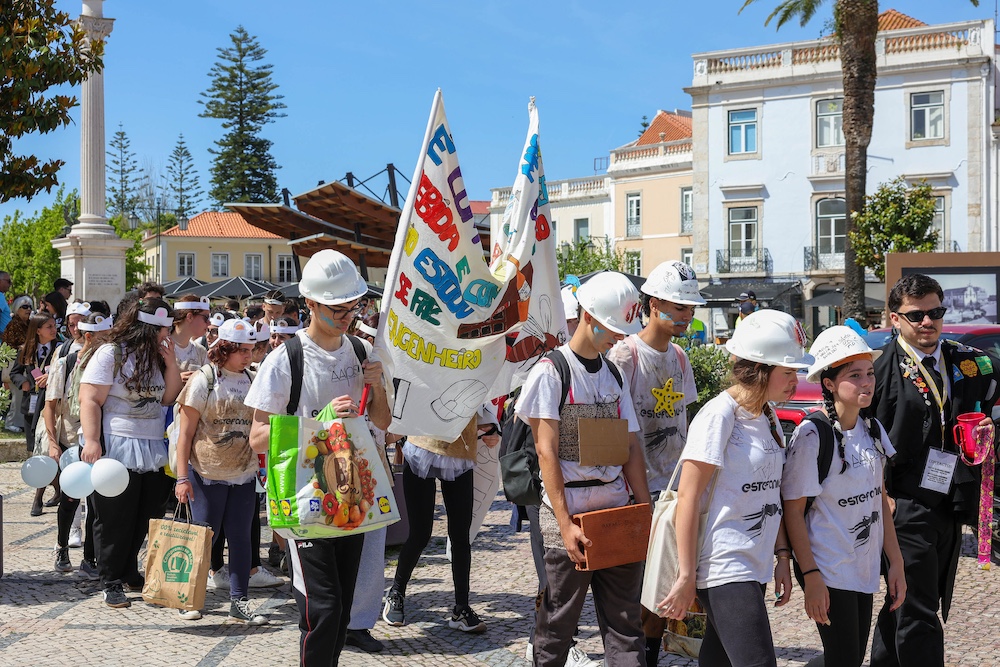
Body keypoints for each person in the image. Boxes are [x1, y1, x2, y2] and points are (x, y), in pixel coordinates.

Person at [247, 249, 390, 666]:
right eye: (337, 308)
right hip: (303, 498)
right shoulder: (285, 359)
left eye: (354, 306)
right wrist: (322, 421)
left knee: (342, 609)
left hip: (352, 494)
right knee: (322, 609)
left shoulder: (362, 352)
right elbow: (257, 437)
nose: (347, 315)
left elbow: (383, 422)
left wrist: (377, 387)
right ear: (309, 303)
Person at [660, 308, 810, 667]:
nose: (795, 380)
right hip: (724, 565)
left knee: (718, 661)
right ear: (760, 369)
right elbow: (688, 496)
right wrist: (685, 576)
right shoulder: (719, 416)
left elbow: (771, 494)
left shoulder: (768, 415)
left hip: (754, 563)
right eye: (788, 371)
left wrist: (782, 558)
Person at [514, 271, 651, 666]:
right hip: (570, 513)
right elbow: (546, 451)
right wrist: (563, 523)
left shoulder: (614, 374)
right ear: (588, 317)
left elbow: (630, 446)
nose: (620, 337)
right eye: (613, 328)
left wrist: (642, 510)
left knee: (626, 625)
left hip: (615, 511)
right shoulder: (550, 372)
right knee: (558, 624)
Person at [870, 274, 1000, 667]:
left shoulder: (968, 361)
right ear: (895, 319)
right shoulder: (878, 371)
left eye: (935, 313)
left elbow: (990, 405)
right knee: (919, 606)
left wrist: (989, 428)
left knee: (909, 599)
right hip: (904, 502)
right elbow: (864, 437)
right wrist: (881, 494)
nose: (927, 322)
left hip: (950, 498)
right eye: (916, 315)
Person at [782, 326, 906, 667]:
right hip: (828, 570)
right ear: (829, 382)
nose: (867, 382)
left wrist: (895, 563)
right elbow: (793, 513)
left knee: (848, 658)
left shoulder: (873, 429)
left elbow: (879, 502)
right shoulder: (812, 435)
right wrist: (810, 577)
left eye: (869, 373)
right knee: (845, 659)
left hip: (862, 569)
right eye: (855, 375)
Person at [607, 260, 703, 667]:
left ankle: (664, 651)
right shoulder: (625, 354)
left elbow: (687, 422)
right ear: (653, 304)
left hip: (675, 490)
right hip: (634, 492)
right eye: (678, 307)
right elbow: (610, 426)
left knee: (675, 577)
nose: (686, 315)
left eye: (690, 309)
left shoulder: (680, 357)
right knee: (638, 586)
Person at [79, 298, 182, 608]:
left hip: (152, 445)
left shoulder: (158, 356)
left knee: (145, 515)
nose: (167, 334)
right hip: (116, 443)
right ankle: (110, 579)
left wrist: (173, 364)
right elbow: (90, 400)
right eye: (162, 329)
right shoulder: (110, 353)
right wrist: (93, 441)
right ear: (145, 328)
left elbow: (168, 398)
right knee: (114, 517)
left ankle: (128, 571)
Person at [174, 318, 268, 625]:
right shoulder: (204, 379)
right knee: (205, 537)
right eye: (241, 350)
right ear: (223, 349)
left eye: (251, 350)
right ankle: (190, 598)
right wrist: (182, 477)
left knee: (242, 538)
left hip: (243, 473)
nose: (247, 356)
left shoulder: (254, 379)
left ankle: (239, 601)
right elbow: (185, 435)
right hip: (207, 473)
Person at [44, 312, 113, 575]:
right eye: (104, 338)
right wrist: (53, 443)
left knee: (97, 502)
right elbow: (49, 407)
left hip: (99, 438)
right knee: (71, 497)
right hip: (71, 439)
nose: (109, 343)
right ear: (88, 337)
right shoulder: (67, 363)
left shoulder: (110, 364)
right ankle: (62, 545)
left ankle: (90, 558)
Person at [11, 311, 59, 515]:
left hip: (51, 406)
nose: (53, 329)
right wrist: (23, 383)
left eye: (54, 326)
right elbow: (15, 373)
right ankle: (59, 490)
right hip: (32, 405)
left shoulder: (60, 349)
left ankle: (37, 499)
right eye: (49, 327)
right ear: (38, 330)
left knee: (46, 452)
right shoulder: (26, 350)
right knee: (37, 452)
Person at [3, 295, 33, 432]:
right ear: (16, 309)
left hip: (25, 364)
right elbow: (9, 345)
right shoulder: (12, 325)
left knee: (22, 395)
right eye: (24, 307)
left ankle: (20, 422)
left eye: (30, 307)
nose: (28, 309)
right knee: (15, 395)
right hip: (13, 365)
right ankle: (10, 422)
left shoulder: (29, 324)